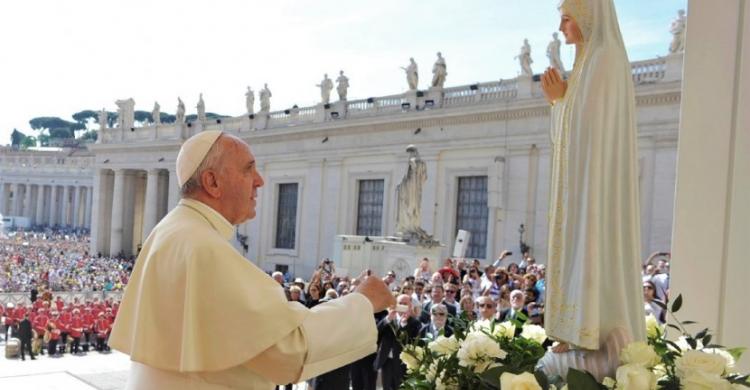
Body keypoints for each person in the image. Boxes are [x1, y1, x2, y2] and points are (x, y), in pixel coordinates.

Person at [109, 130, 394, 389]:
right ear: (212, 182)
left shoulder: (173, 231)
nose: (260, 181)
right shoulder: (202, 247)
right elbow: (285, 351)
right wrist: (362, 302)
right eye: (248, 170)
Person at [538, 0, 646, 380]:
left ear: (588, 17)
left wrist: (559, 101)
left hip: (593, 189)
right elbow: (575, 127)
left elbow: (590, 131)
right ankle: (576, 331)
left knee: (591, 243)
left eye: (567, 18)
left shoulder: (605, 58)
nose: (563, 27)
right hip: (582, 186)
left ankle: (590, 330)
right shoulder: (588, 61)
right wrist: (562, 103)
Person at [375, 294, 421, 390]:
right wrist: (387, 319)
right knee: (386, 387)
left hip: (402, 364)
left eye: (405, 303)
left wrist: (404, 324)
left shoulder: (414, 323)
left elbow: (411, 340)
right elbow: (377, 332)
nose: (402, 306)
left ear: (410, 306)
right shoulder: (389, 318)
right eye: (400, 303)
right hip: (386, 360)